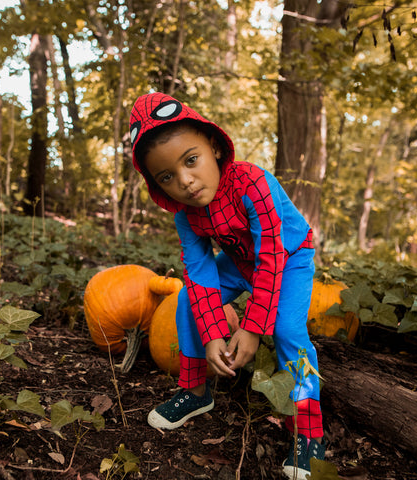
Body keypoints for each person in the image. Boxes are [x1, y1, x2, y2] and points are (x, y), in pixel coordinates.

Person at [129, 92, 325, 480]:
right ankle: (195, 392)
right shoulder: (186, 216)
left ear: (214, 147)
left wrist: (253, 328)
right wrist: (213, 333)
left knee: (287, 330)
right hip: (239, 261)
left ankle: (307, 430)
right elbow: (199, 276)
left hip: (289, 256)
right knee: (187, 299)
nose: (184, 181)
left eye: (191, 160)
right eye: (166, 176)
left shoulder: (252, 182)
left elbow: (271, 255)